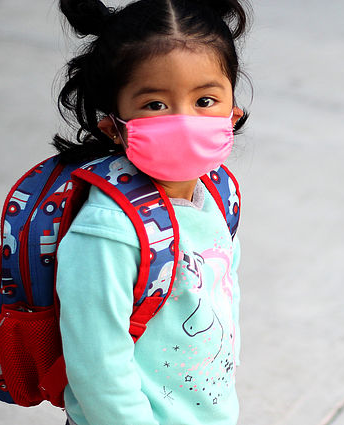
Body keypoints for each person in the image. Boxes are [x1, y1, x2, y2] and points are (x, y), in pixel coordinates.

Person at [51, 0, 250, 424]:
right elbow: (98, 368)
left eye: (206, 99)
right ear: (113, 125)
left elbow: (222, 297)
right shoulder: (108, 229)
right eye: (155, 104)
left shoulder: (219, 194)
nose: (183, 119)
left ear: (233, 108)